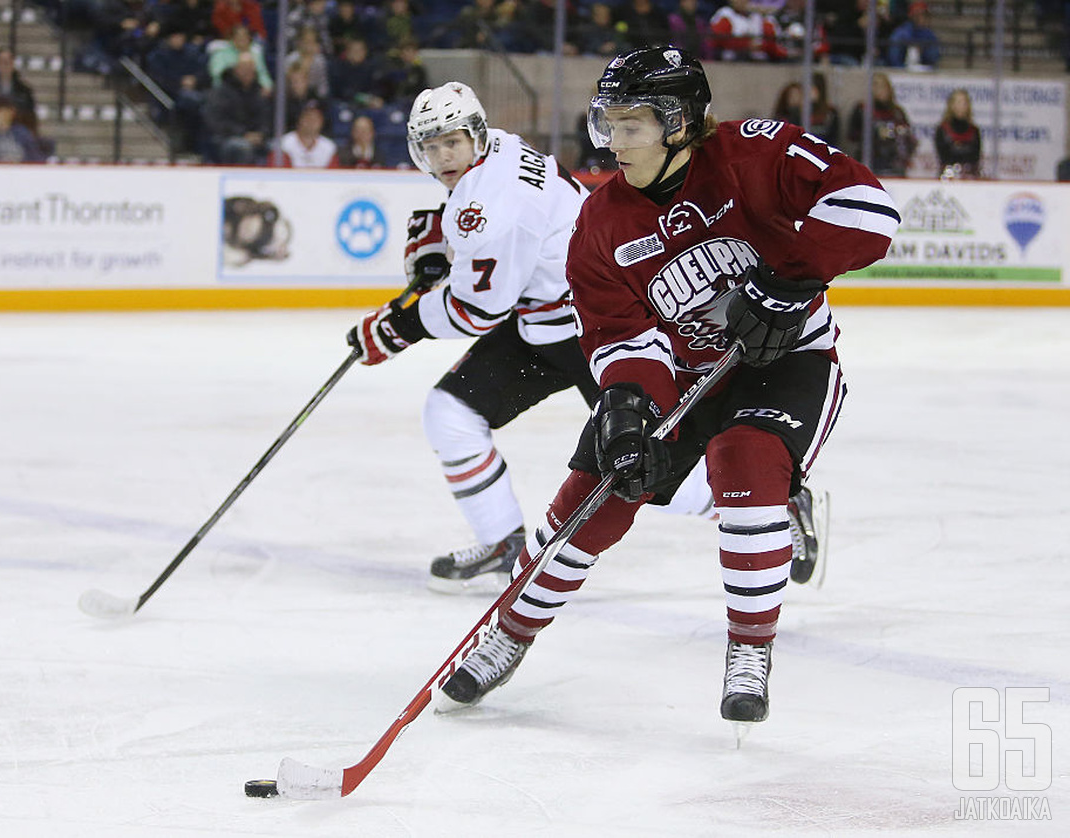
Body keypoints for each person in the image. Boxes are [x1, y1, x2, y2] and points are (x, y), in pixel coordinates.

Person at [435, 46, 899, 728]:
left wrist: (789, 280)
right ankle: (509, 631)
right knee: (593, 497)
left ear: (680, 122)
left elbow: (867, 206)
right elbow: (617, 332)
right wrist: (627, 406)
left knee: (744, 465)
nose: (613, 142)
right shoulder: (601, 222)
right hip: (683, 374)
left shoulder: (754, 153)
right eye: (608, 123)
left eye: (631, 125)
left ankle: (749, 647)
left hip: (788, 360)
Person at [346, 81, 599, 593]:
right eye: (429, 146)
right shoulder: (501, 145)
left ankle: (768, 506)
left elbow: (476, 309)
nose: (442, 157)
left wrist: (397, 326)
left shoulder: (488, 209)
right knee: (451, 413)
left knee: (650, 469)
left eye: (452, 142)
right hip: (550, 316)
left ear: (475, 135)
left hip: (598, 330)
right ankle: (503, 538)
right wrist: (442, 235)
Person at [202, 53, 270, 165]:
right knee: (242, 147)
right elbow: (216, 121)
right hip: (226, 138)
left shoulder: (258, 92)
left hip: (255, 138)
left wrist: (261, 134)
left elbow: (265, 118)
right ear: (236, 70)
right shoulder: (221, 92)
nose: (247, 73)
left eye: (250, 69)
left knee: (277, 148)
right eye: (244, 69)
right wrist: (243, 134)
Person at [847, 71, 916, 178]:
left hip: (894, 165)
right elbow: (852, 135)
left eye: (882, 86)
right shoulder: (862, 110)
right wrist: (875, 133)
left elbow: (908, 136)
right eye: (875, 85)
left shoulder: (897, 113)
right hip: (869, 163)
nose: (879, 90)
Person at [273, 98, 338, 167]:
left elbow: (334, 174)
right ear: (299, 119)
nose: (312, 121)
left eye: (316, 117)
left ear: (322, 121)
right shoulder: (284, 143)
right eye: (308, 117)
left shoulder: (328, 147)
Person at [934, 87, 980, 179]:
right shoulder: (943, 130)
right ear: (951, 105)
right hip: (948, 177)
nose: (961, 106)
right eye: (958, 102)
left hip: (970, 178)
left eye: (964, 103)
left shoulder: (974, 131)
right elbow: (945, 156)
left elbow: (975, 157)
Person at [887, 1, 940, 68]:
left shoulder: (929, 34)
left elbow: (934, 58)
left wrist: (923, 50)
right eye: (918, 15)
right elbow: (894, 58)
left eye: (924, 15)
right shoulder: (901, 33)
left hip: (923, 70)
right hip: (902, 69)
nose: (921, 18)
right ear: (912, 17)